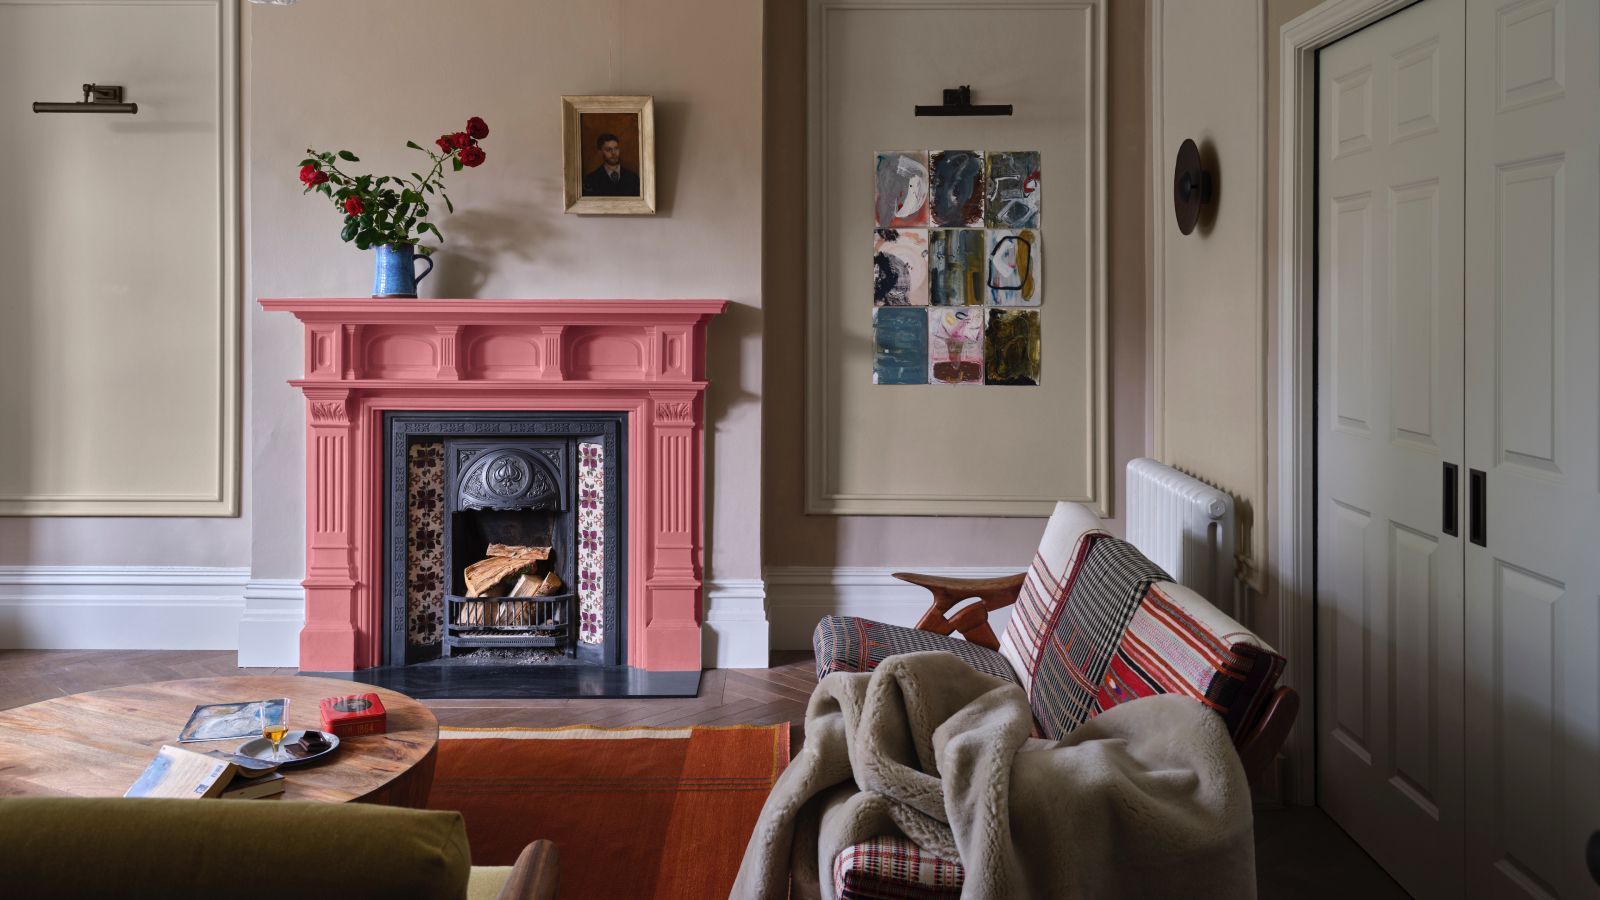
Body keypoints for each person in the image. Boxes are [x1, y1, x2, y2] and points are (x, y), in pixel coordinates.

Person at [581, 132, 640, 197]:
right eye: (609, 150)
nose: (614, 153)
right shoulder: (591, 179)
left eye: (616, 148)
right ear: (600, 152)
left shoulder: (633, 178)